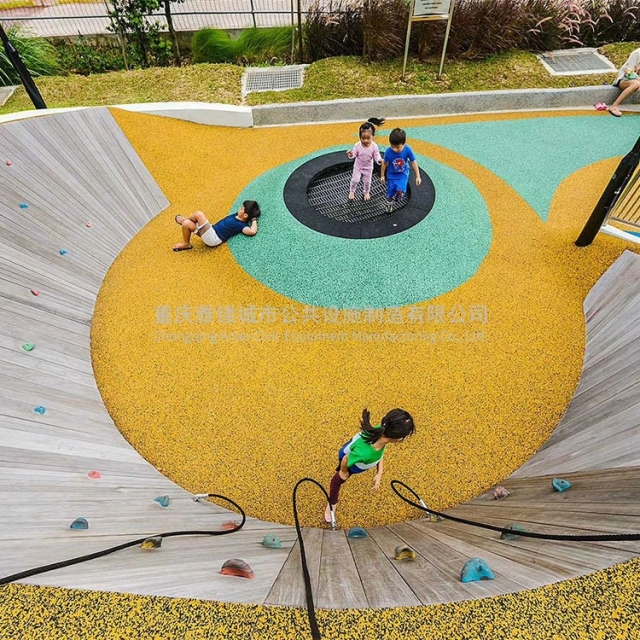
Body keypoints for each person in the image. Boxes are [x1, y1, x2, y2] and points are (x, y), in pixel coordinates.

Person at [324, 408, 416, 523]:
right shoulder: (365, 453)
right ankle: (332, 504)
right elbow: (346, 458)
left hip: (356, 449)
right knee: (337, 481)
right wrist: (343, 471)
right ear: (397, 438)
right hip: (351, 459)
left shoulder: (382, 431)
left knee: (352, 454)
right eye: (403, 437)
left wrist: (379, 473)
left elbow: (379, 453)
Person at [173, 200, 260, 252]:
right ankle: (186, 244)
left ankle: (185, 219)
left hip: (214, 238)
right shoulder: (237, 215)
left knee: (199, 214)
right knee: (186, 224)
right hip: (211, 230)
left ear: (245, 215)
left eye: (242, 209)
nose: (239, 208)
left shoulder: (241, 225)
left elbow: (252, 231)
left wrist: (254, 220)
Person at [380, 128, 421, 213]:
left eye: (397, 147)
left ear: (404, 143)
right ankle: (389, 203)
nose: (394, 149)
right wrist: (382, 175)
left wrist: (418, 176)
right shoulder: (388, 151)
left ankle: (400, 192)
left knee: (401, 187)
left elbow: (413, 162)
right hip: (391, 175)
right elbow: (384, 163)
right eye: (392, 146)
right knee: (390, 192)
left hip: (403, 173)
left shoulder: (408, 149)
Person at [347, 117, 385, 201]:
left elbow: (376, 155)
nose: (365, 141)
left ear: (372, 136)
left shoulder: (374, 146)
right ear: (360, 137)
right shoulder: (357, 145)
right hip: (358, 167)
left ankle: (366, 192)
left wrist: (379, 160)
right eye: (363, 138)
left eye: (368, 138)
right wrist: (350, 154)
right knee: (355, 180)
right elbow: (354, 154)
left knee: (367, 182)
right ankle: (352, 191)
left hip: (368, 168)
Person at [608, 47, 640, 117]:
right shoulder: (637, 53)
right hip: (623, 79)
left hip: (636, 79)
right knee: (637, 84)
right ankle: (614, 106)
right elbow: (628, 73)